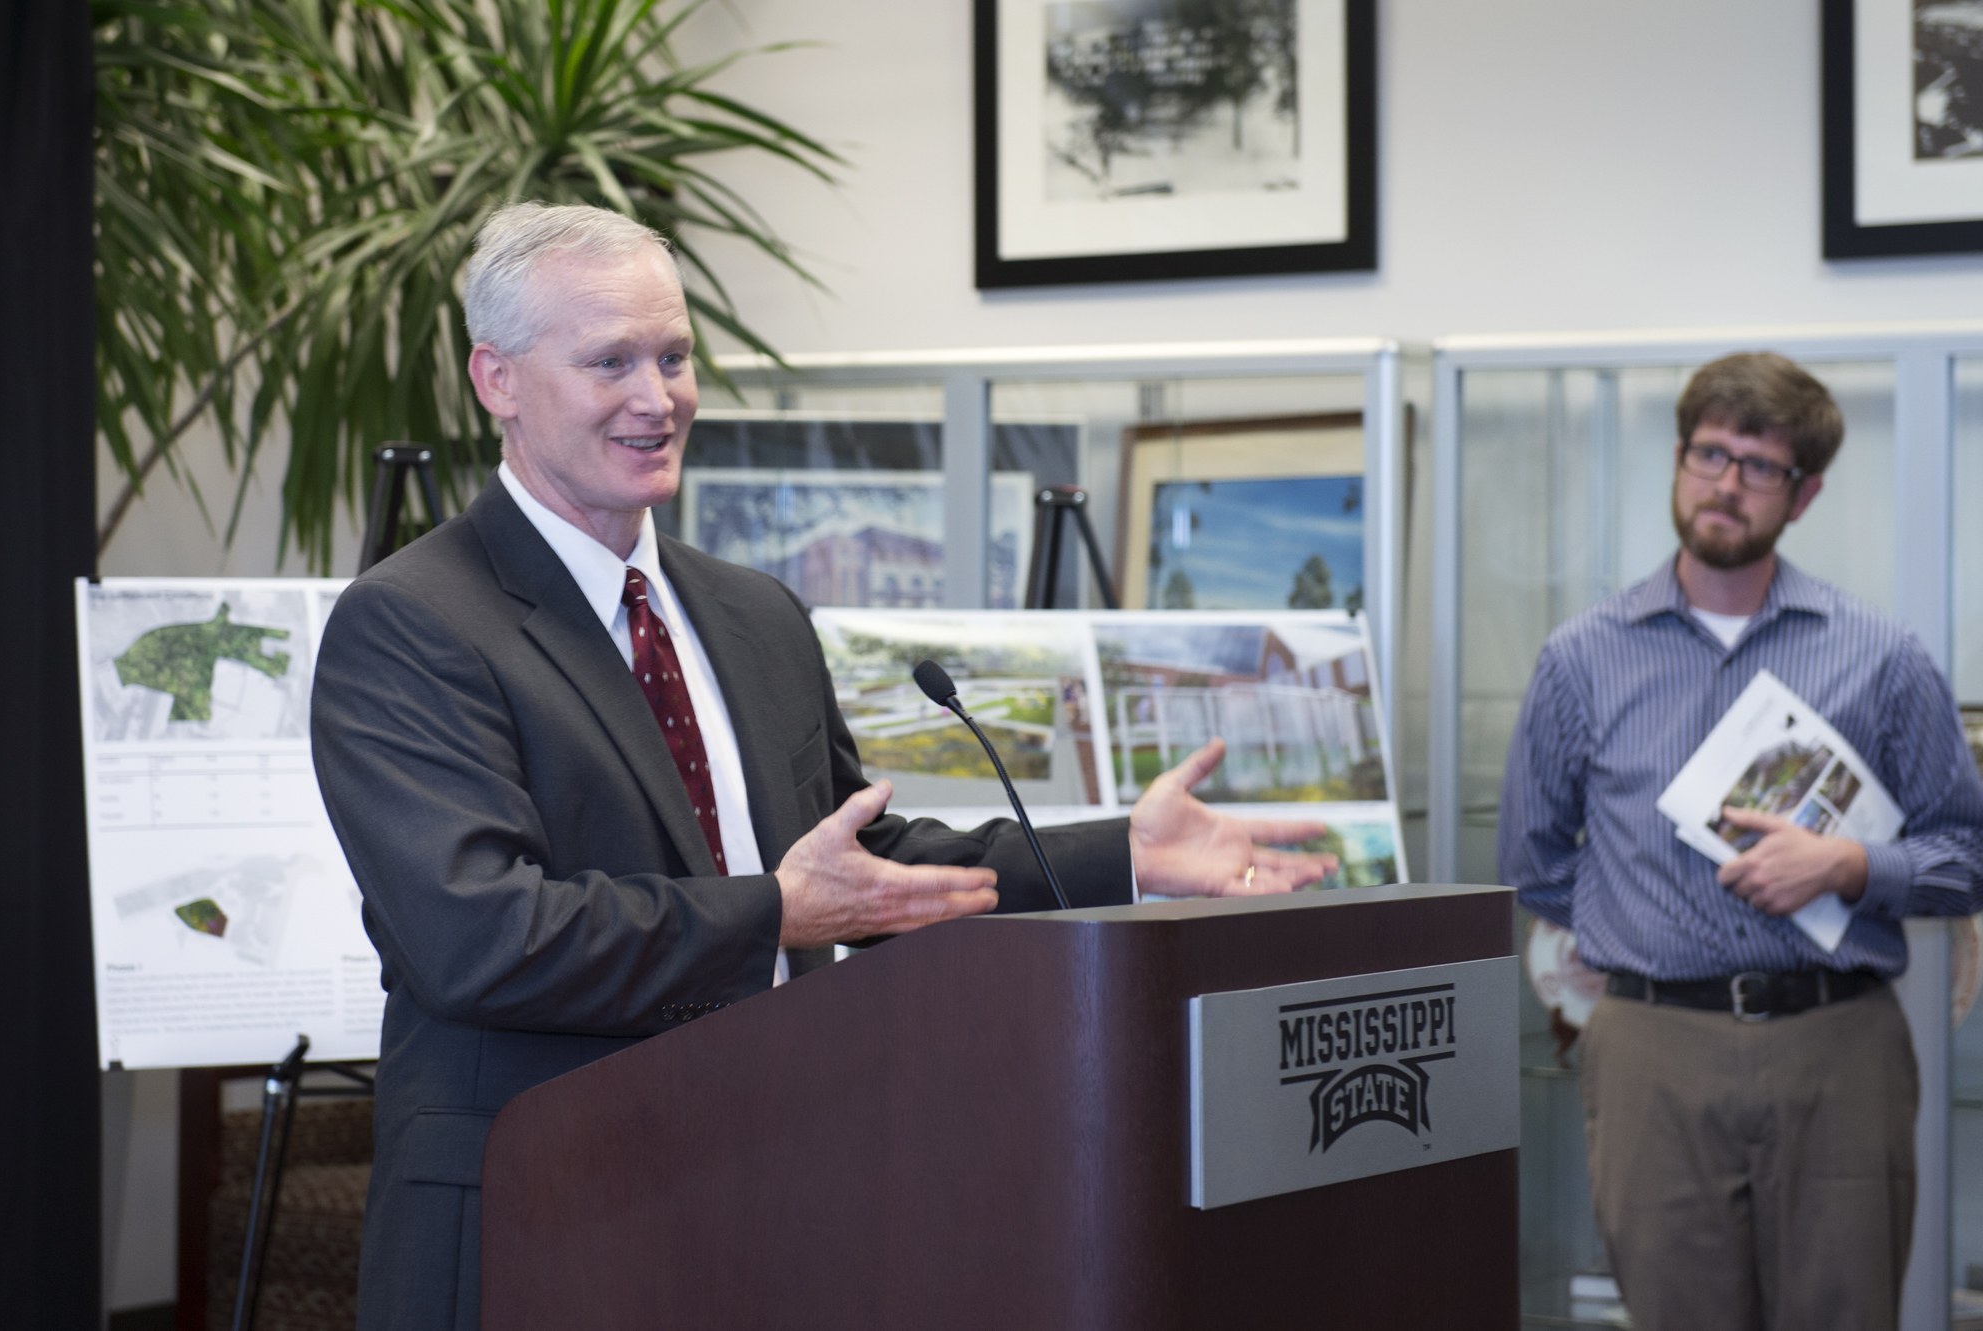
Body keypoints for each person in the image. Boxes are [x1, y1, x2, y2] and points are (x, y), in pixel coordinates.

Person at [310, 200, 1336, 1331]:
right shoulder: (411, 623)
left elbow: (866, 863)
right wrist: (777, 914)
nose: (657, 399)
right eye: (610, 361)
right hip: (541, 1214)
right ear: (496, 379)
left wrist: (1122, 856)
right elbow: (480, 937)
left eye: (674, 355)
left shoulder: (752, 612)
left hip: (776, 1193)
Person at [1498, 352, 1983, 1331]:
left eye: (1758, 466)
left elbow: (1963, 853)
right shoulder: (1579, 658)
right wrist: (1633, 922)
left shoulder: (1879, 658)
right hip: (1649, 1048)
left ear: (1801, 497)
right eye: (1708, 453)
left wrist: (1847, 865)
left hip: (1836, 1045)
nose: (1724, 483)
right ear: (1677, 459)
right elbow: (1532, 859)